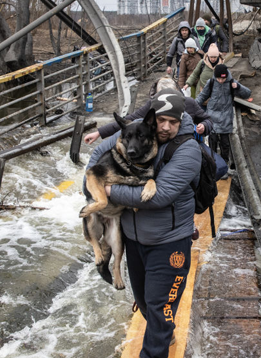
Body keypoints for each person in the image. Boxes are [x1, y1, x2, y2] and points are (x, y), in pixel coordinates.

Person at [86, 89, 201, 358]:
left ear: (180, 120)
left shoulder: (187, 149)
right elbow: (95, 160)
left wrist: (108, 191)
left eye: (173, 122)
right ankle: (164, 332)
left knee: (160, 307)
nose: (166, 127)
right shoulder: (136, 135)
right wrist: (93, 181)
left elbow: (159, 196)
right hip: (134, 239)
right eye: (162, 120)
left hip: (168, 242)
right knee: (144, 302)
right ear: (152, 118)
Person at [84, 77, 212, 145]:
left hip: (186, 144)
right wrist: (99, 133)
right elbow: (130, 120)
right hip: (160, 145)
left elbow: (209, 120)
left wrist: (204, 126)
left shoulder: (189, 103)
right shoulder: (153, 105)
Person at [196, 64, 251, 179]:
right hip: (212, 117)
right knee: (212, 143)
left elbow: (247, 94)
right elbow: (202, 96)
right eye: (219, 78)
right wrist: (192, 106)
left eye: (223, 78)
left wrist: (238, 87)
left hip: (226, 118)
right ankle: (212, 165)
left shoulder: (232, 83)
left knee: (225, 145)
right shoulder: (211, 83)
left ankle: (224, 166)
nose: (221, 80)